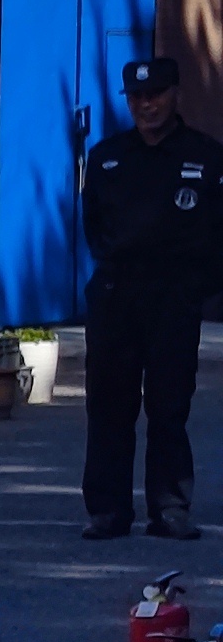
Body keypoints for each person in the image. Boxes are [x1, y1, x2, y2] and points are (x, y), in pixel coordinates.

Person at [78, 55, 221, 543]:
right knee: (109, 407)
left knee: (168, 407)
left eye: (155, 94)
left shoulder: (206, 157)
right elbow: (93, 226)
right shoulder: (107, 157)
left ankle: (170, 508)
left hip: (173, 300)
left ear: (174, 94)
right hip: (118, 297)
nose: (146, 104)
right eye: (137, 97)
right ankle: (108, 511)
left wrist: (195, 287)